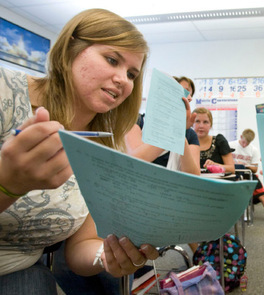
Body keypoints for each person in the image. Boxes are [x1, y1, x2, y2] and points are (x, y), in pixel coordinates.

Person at [0, 8, 159, 294]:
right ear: (71, 49)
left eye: (132, 73)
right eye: (112, 60)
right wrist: (8, 185)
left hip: (18, 270)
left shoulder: (104, 146)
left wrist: (107, 257)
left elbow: (79, 250)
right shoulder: (5, 92)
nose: (123, 79)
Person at [125, 75, 200, 175]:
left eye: (187, 94)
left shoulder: (190, 134)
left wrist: (179, 133)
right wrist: (173, 132)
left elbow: (194, 175)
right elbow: (134, 161)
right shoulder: (137, 121)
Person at [229, 128, 264, 210]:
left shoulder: (253, 150)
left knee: (263, 196)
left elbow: (255, 169)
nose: (244, 145)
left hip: (248, 174)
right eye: (243, 142)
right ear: (241, 136)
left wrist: (245, 165)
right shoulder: (230, 145)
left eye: (247, 143)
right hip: (233, 173)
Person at [192, 107, 235, 173]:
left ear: (210, 125)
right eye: (197, 121)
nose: (201, 126)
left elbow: (232, 169)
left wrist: (216, 165)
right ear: (192, 123)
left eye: (205, 122)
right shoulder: (186, 143)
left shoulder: (219, 141)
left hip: (216, 182)